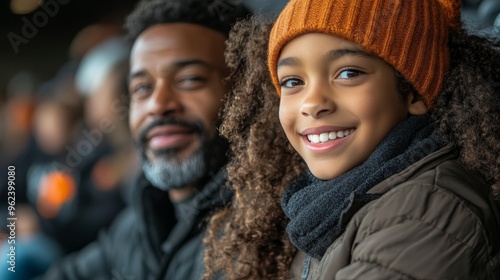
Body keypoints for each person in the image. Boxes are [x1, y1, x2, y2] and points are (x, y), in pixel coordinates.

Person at [204, 0, 500, 279]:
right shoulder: (322, 202)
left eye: (348, 73)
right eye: (293, 82)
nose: (312, 103)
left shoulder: (427, 210)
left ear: (413, 92)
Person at [43, 0, 249, 279]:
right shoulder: (141, 220)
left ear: (248, 92)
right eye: (142, 87)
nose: (158, 104)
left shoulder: (262, 231)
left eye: (190, 79)